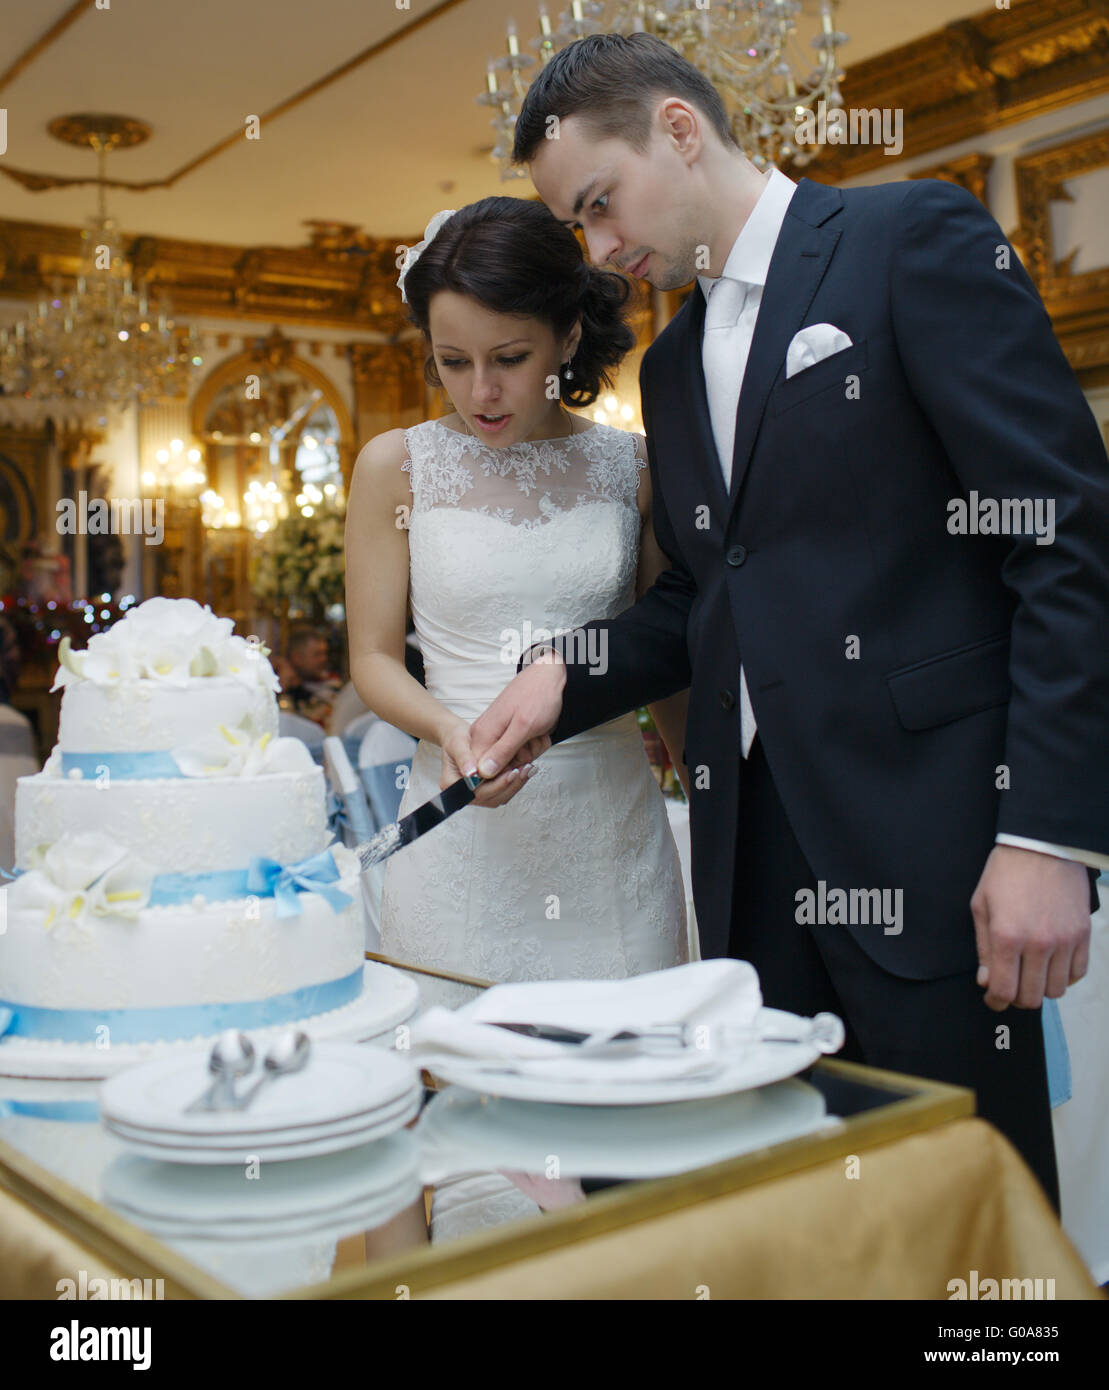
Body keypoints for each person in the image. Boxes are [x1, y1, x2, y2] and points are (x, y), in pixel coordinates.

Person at [467, 32, 1109, 1213]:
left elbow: (1062, 537)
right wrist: (564, 676)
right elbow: (712, 591)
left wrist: (1048, 835)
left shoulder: (908, 238)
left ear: (677, 126)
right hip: (754, 860)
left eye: (599, 206)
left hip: (936, 844)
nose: (600, 253)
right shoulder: (665, 368)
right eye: (576, 227)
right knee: (808, 1222)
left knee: (970, 1218)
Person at [344, 196, 691, 1237]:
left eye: (507, 355)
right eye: (451, 361)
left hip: (607, 842)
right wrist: (447, 733)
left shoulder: (629, 467)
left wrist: (704, 778)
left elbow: (655, 651)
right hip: (455, 839)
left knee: (625, 1160)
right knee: (449, 1147)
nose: (481, 390)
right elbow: (369, 657)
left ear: (566, 335)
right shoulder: (395, 466)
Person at [274, 626, 340, 726]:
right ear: (296, 658)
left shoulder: (331, 682)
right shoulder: (273, 680)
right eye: (317, 654)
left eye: (325, 653)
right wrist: (280, 687)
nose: (324, 659)